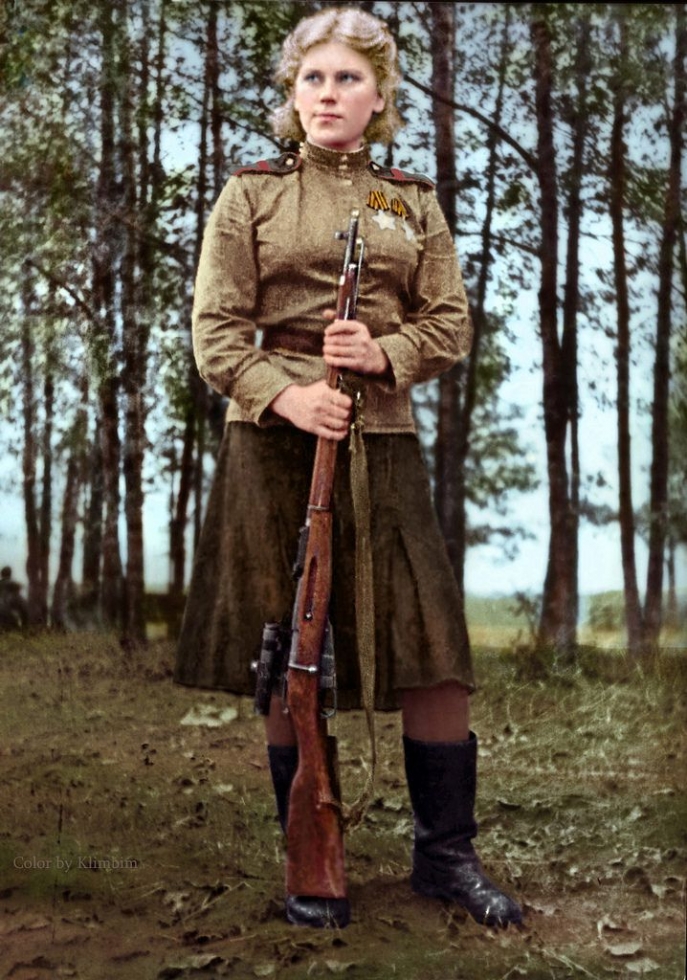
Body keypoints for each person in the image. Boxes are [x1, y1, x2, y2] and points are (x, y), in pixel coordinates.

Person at [174, 7, 523, 931]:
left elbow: (449, 324)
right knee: (286, 648)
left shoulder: (408, 202)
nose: (327, 96)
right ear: (293, 97)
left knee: (431, 648)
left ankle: (445, 858)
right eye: (311, 81)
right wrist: (285, 395)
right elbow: (214, 333)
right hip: (273, 443)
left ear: (380, 96)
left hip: (384, 440)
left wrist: (381, 354)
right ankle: (311, 856)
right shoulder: (250, 195)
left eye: (347, 80)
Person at [0, 566, 29, 630]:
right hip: (10, 618)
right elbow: (24, 610)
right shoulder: (14, 592)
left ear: (1, 574)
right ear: (10, 574)